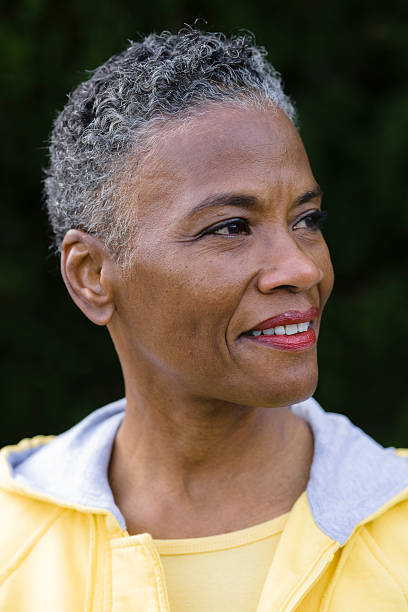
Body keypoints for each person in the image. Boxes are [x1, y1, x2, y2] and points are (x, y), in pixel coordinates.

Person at [1, 28, 407, 612]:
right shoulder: (11, 541)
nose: (300, 267)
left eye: (307, 219)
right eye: (231, 228)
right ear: (91, 275)